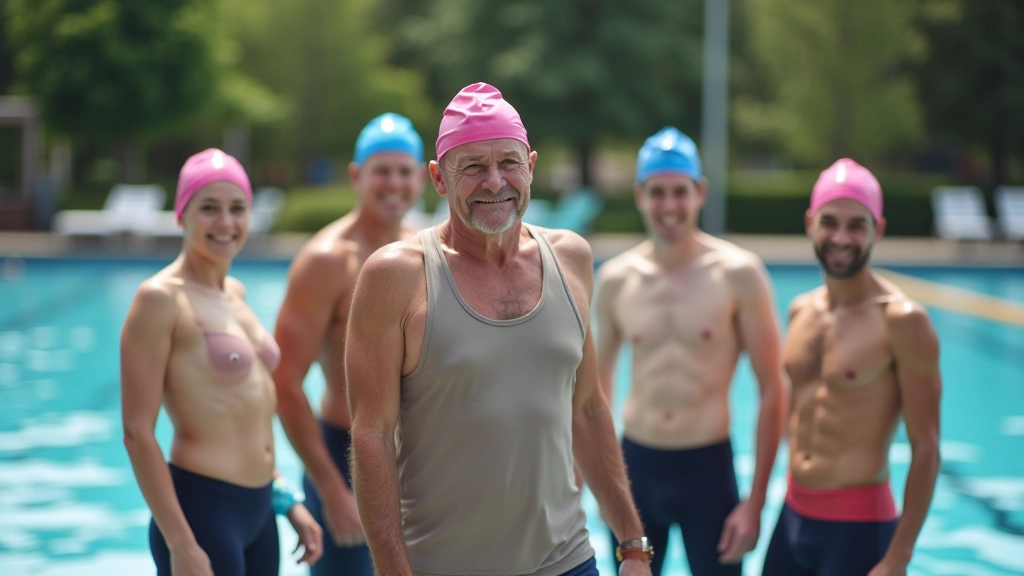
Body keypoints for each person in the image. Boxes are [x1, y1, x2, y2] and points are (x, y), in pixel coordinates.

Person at [345, 82, 654, 576]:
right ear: (439, 179)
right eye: (472, 166)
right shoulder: (395, 277)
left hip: (568, 561)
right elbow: (372, 435)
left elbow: (589, 408)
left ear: (530, 166)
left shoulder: (571, 258)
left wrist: (633, 544)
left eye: (508, 163)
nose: (494, 182)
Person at [594, 127, 787, 576]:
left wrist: (756, 503)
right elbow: (594, 394)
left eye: (679, 192)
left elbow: (774, 388)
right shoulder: (617, 279)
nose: (669, 206)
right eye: (657, 192)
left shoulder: (739, 274)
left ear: (699, 192)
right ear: (640, 195)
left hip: (709, 474)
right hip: (634, 471)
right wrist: (597, 484)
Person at [121, 148, 322, 576]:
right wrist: (181, 543)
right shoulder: (160, 299)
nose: (226, 222)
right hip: (202, 511)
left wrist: (286, 502)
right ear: (182, 214)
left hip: (259, 513)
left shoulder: (237, 294)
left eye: (237, 208)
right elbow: (138, 432)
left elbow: (245, 413)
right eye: (209, 208)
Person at [762, 158, 942, 576]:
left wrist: (898, 558)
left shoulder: (902, 320)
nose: (841, 237)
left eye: (856, 225)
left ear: (877, 229)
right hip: (791, 517)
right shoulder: (800, 310)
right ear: (810, 223)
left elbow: (928, 447)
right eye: (830, 222)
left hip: (859, 531)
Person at [272, 112, 425, 575]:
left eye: (404, 171)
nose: (394, 183)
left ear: (422, 177)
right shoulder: (326, 261)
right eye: (382, 170)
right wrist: (331, 489)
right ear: (357, 176)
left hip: (419, 460)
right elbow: (283, 383)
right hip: (347, 458)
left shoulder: (428, 249)